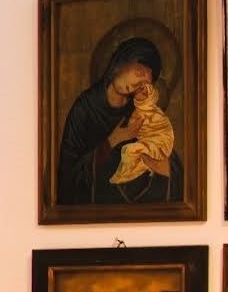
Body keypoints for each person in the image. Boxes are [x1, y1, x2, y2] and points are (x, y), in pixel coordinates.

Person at [50, 31, 184, 211]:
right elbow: (68, 180)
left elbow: (164, 154)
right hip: (96, 212)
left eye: (143, 84)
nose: (137, 85)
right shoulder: (84, 109)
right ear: (122, 61)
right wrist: (113, 140)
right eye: (139, 73)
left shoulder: (137, 111)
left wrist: (161, 162)